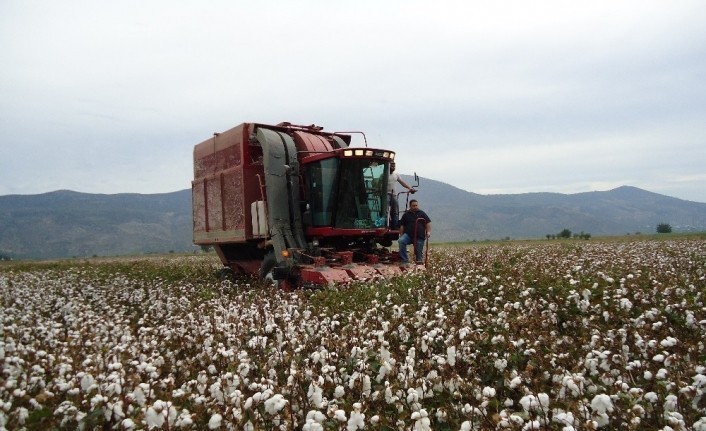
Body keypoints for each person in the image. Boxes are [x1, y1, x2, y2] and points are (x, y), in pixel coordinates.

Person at [398, 199, 431, 264]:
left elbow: (428, 223)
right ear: (410, 206)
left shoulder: (422, 213)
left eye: (416, 205)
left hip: (419, 236)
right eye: (413, 205)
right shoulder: (406, 214)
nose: (415, 207)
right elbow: (402, 225)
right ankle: (404, 260)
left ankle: (419, 262)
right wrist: (401, 235)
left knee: (418, 248)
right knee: (401, 241)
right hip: (408, 235)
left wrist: (428, 232)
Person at [388, 162, 415, 229]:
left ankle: (395, 226)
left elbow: (402, 182)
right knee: (385, 211)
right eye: (391, 166)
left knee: (395, 211)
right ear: (388, 166)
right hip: (385, 194)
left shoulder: (396, 175)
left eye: (394, 166)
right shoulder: (384, 174)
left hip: (393, 195)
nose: (393, 167)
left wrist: (409, 188)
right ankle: (385, 225)